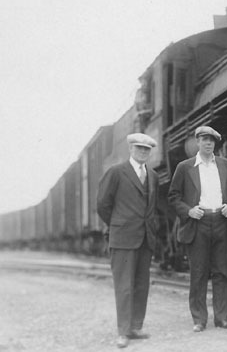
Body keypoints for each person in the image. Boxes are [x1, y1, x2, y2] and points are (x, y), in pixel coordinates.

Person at [168, 126, 227, 331]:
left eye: (211, 140)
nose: (208, 143)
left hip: (221, 221)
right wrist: (188, 211)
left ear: (215, 143)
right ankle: (199, 320)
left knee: (223, 272)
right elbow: (174, 196)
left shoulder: (225, 165)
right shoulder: (185, 167)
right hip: (198, 223)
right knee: (198, 273)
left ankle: (222, 318)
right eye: (204, 139)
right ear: (197, 142)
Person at [97, 133, 159, 349]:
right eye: (139, 148)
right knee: (124, 287)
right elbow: (103, 204)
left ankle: (135, 327)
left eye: (146, 149)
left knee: (141, 285)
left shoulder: (153, 175)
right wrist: (118, 224)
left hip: (145, 238)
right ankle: (123, 332)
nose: (143, 152)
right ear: (131, 149)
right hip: (123, 238)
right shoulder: (116, 172)